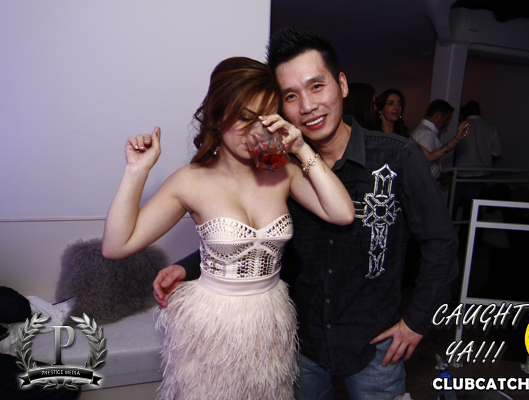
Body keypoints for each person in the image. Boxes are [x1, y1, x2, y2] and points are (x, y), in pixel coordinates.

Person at [154, 28, 458, 399]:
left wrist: (417, 321)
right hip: (303, 344)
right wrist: (189, 267)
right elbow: (254, 233)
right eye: (291, 96)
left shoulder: (398, 156)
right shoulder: (279, 167)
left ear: (341, 84)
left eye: (316, 86)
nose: (307, 106)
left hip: (375, 344)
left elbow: (441, 243)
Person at [102, 56, 354, 400]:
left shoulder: (282, 173)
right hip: (212, 324)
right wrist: (136, 171)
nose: (256, 131)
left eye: (266, 118)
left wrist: (300, 147)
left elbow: (342, 213)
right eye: (245, 118)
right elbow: (116, 246)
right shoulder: (190, 182)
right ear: (219, 115)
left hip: (270, 320)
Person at [452, 100, 502, 219]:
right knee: (471, 210)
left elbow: (451, 148)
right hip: (480, 173)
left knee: (452, 206)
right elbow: (498, 151)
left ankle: (448, 230)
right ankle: (467, 231)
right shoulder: (490, 127)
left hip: (461, 172)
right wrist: (483, 160)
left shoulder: (460, 126)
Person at [410, 99, 470, 184]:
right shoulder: (426, 134)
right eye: (446, 119)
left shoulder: (425, 132)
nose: (447, 123)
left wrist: (456, 140)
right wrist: (442, 177)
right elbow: (427, 164)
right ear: (438, 116)